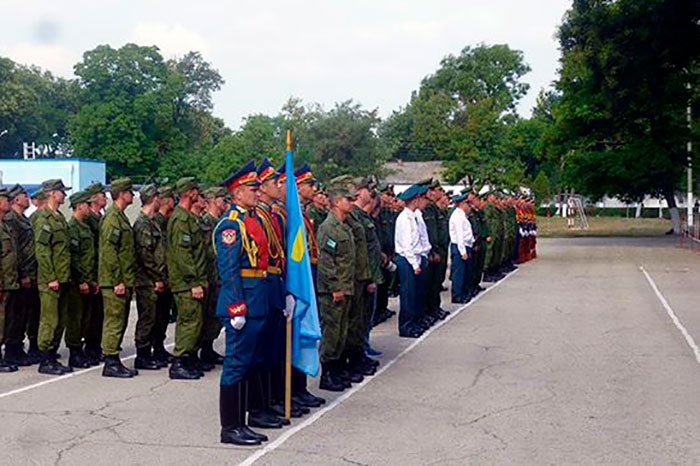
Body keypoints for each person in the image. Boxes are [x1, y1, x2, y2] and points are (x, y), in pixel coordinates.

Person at [216, 160, 270, 446]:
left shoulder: (253, 219)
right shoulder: (230, 225)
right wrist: (236, 306)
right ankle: (230, 427)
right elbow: (229, 269)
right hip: (243, 301)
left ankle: (243, 422)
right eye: (252, 188)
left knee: (249, 362)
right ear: (237, 193)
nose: (257, 192)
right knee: (236, 364)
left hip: (257, 296)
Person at [317, 177, 357, 391]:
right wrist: (335, 287)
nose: (351, 203)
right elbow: (326, 261)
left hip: (345, 287)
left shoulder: (344, 226)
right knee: (332, 333)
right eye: (348, 200)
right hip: (334, 291)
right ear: (337, 201)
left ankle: (337, 370)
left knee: (341, 332)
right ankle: (327, 374)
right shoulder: (328, 227)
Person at [167, 177, 207, 380]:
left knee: (195, 322)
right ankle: (179, 362)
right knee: (189, 322)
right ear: (188, 193)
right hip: (185, 283)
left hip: (192, 280)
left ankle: (188, 358)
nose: (197, 194)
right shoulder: (181, 219)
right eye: (195, 191)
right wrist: (193, 282)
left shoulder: (188, 218)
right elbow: (183, 254)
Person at [99, 178, 138, 378]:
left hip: (123, 279)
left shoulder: (119, 217)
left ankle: (113, 358)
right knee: (114, 321)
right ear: (122, 194)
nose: (132, 195)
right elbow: (109, 252)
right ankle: (110, 361)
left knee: (119, 320)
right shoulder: (112, 218)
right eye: (129, 192)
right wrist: (117, 281)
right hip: (114, 280)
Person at [34, 179, 73, 376]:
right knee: (49, 319)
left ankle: (53, 354)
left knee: (60, 320)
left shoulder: (59, 217)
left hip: (63, 276)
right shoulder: (44, 219)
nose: (64, 195)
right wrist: (50, 277)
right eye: (61, 192)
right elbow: (42, 251)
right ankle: (45, 359)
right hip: (51, 279)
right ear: (51, 193)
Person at [3, 184, 39, 366]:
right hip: (15, 276)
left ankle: (17, 348)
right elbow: (12, 252)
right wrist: (22, 274)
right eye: (25, 195)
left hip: (25, 274)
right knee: (11, 316)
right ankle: (11, 350)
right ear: (17, 199)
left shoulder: (22, 218)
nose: (28, 198)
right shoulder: (11, 220)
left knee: (21, 315)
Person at [132, 184, 166, 371]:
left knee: (153, 317)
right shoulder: (143, 223)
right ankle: (142, 356)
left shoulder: (151, 222)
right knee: (147, 318)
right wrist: (156, 277)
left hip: (152, 278)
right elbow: (145, 255)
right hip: (146, 280)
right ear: (154, 198)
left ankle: (150, 352)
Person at [66, 191, 97, 368]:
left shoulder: (84, 226)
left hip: (88, 279)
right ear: (79, 206)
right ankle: (74, 352)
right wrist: (81, 280)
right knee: (75, 318)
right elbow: (74, 258)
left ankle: (81, 350)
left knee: (85, 318)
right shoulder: (73, 228)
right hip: (77, 282)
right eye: (87, 204)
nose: (89, 207)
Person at [394, 184, 429, 338]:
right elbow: (407, 244)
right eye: (422, 198)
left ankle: (414, 323)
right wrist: (415, 264)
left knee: (416, 294)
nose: (423, 201)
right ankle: (406, 327)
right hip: (407, 260)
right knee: (408, 295)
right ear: (415, 200)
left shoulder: (413, 216)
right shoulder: (404, 218)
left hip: (415, 258)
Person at [199, 186, 227, 366]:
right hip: (209, 276)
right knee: (205, 316)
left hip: (218, 276)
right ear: (214, 200)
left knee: (215, 318)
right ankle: (201, 350)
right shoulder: (205, 222)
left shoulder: (220, 221)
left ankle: (208, 349)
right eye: (223, 199)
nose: (225, 203)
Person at [83, 182, 107, 364]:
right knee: (91, 314)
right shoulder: (89, 220)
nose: (104, 197)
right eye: (101, 195)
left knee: (99, 313)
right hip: (92, 272)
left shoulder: (100, 217)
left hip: (101, 271)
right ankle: (90, 346)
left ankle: (95, 345)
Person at [153, 185, 176, 363]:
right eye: (169, 198)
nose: (172, 201)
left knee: (163, 315)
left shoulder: (166, 220)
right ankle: (155, 349)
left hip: (167, 274)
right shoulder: (157, 221)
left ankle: (159, 348)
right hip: (159, 275)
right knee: (157, 315)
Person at [0, 187, 20, 373]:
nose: (9, 202)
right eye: (6, 200)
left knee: (5, 320)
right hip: (1, 284)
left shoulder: (5, 226)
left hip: (8, 282)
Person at [449, 193, 474, 303]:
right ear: (462, 204)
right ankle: (457, 296)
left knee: (464, 272)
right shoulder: (457, 216)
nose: (468, 206)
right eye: (466, 203)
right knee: (459, 273)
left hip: (465, 246)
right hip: (460, 246)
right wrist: (463, 251)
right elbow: (459, 235)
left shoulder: (462, 215)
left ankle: (463, 293)